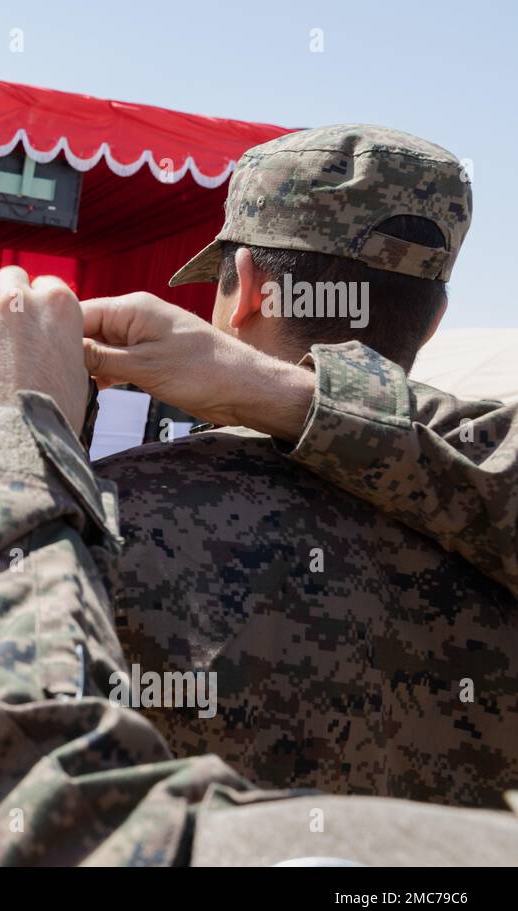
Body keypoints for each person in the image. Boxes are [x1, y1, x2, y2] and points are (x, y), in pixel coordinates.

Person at [0, 266, 518, 865]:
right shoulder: (482, 551)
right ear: (434, 321)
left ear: (248, 288)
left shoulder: (87, 525)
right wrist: (280, 394)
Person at [77, 126, 517, 809]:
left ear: (247, 287)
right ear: (433, 323)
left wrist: (18, 440)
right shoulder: (490, 521)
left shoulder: (103, 519)